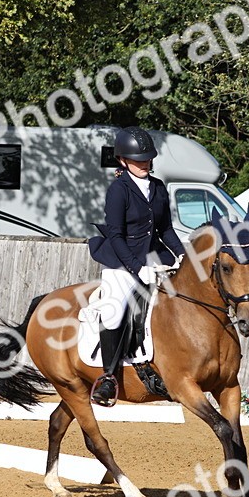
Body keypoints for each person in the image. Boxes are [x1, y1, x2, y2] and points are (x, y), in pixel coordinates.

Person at [86, 127, 185, 407]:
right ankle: (108, 378)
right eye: (138, 160)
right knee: (115, 310)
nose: (144, 163)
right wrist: (136, 267)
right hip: (122, 261)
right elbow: (116, 235)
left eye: (147, 159)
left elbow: (166, 229)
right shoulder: (118, 190)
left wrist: (182, 254)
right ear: (122, 160)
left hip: (155, 257)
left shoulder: (159, 188)